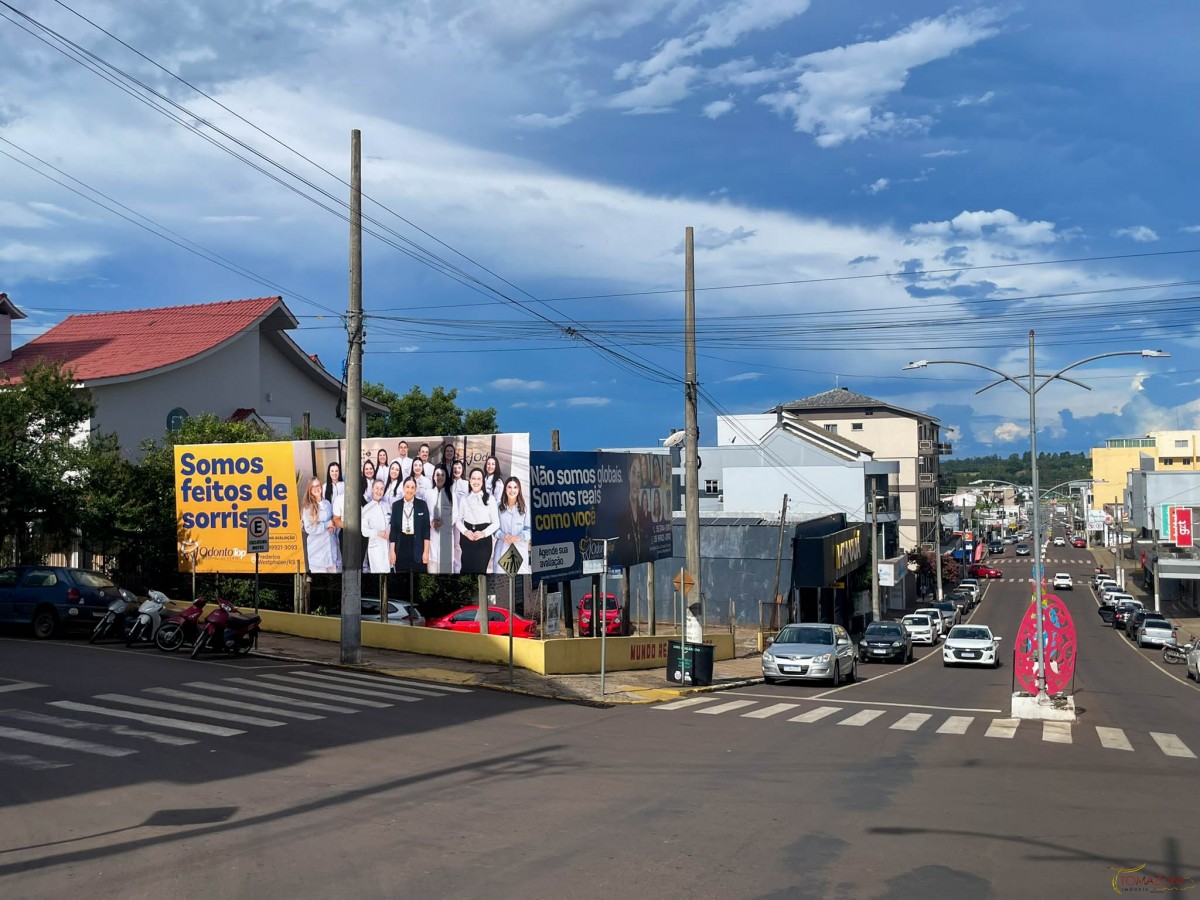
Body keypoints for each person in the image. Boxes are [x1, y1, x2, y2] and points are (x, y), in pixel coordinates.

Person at [455, 467, 499, 574]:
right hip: (467, 537)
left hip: (483, 540)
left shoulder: (490, 499)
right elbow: (458, 521)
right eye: (473, 478)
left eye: (479, 479)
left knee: (480, 570)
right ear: (469, 481)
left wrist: (483, 533)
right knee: (465, 569)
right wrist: (465, 531)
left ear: (482, 481)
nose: (476, 481)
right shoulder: (464, 498)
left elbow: (496, 523)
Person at [389, 476, 430, 574]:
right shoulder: (396, 505)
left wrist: (425, 552)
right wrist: (392, 551)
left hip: (417, 545)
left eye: (412, 487)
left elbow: (426, 530)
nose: (410, 490)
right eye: (407, 486)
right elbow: (393, 530)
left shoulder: (422, 505)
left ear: (415, 489)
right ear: (403, 488)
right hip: (401, 544)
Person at [493, 476, 531, 574]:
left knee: (518, 576)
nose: (512, 490)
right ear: (505, 489)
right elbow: (494, 528)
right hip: (502, 548)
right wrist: (502, 535)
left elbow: (529, 529)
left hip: (519, 549)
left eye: (515, 487)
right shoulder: (498, 506)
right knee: (501, 574)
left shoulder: (525, 508)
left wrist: (520, 536)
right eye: (509, 487)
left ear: (519, 489)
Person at [302, 477, 340, 573]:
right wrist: (326, 525)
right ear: (310, 490)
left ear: (321, 487)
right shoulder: (307, 507)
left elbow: (332, 519)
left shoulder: (327, 503)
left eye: (318, 485)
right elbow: (309, 528)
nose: (316, 488)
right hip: (317, 551)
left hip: (330, 547)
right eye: (313, 486)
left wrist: (332, 526)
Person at [425, 464, 455, 574]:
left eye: (442, 474)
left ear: (446, 477)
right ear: (433, 476)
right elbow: (424, 512)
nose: (440, 477)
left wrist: (445, 521)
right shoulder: (428, 493)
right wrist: (431, 521)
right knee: (431, 570)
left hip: (446, 535)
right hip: (431, 536)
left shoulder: (451, 494)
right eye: (437, 474)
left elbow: (456, 514)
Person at [361, 480, 392, 574]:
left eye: (382, 489)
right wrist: (377, 533)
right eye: (377, 488)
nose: (379, 491)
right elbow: (364, 531)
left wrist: (389, 529)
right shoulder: (366, 508)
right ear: (372, 489)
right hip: (376, 548)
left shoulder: (387, 506)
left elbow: (391, 522)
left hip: (388, 546)